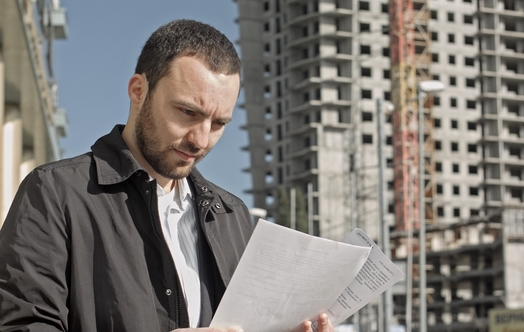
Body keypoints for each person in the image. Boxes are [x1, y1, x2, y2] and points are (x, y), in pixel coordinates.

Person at [0, 19, 334, 332]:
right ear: (138, 91)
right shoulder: (56, 194)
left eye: (218, 124)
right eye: (188, 112)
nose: (201, 140)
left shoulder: (233, 218)